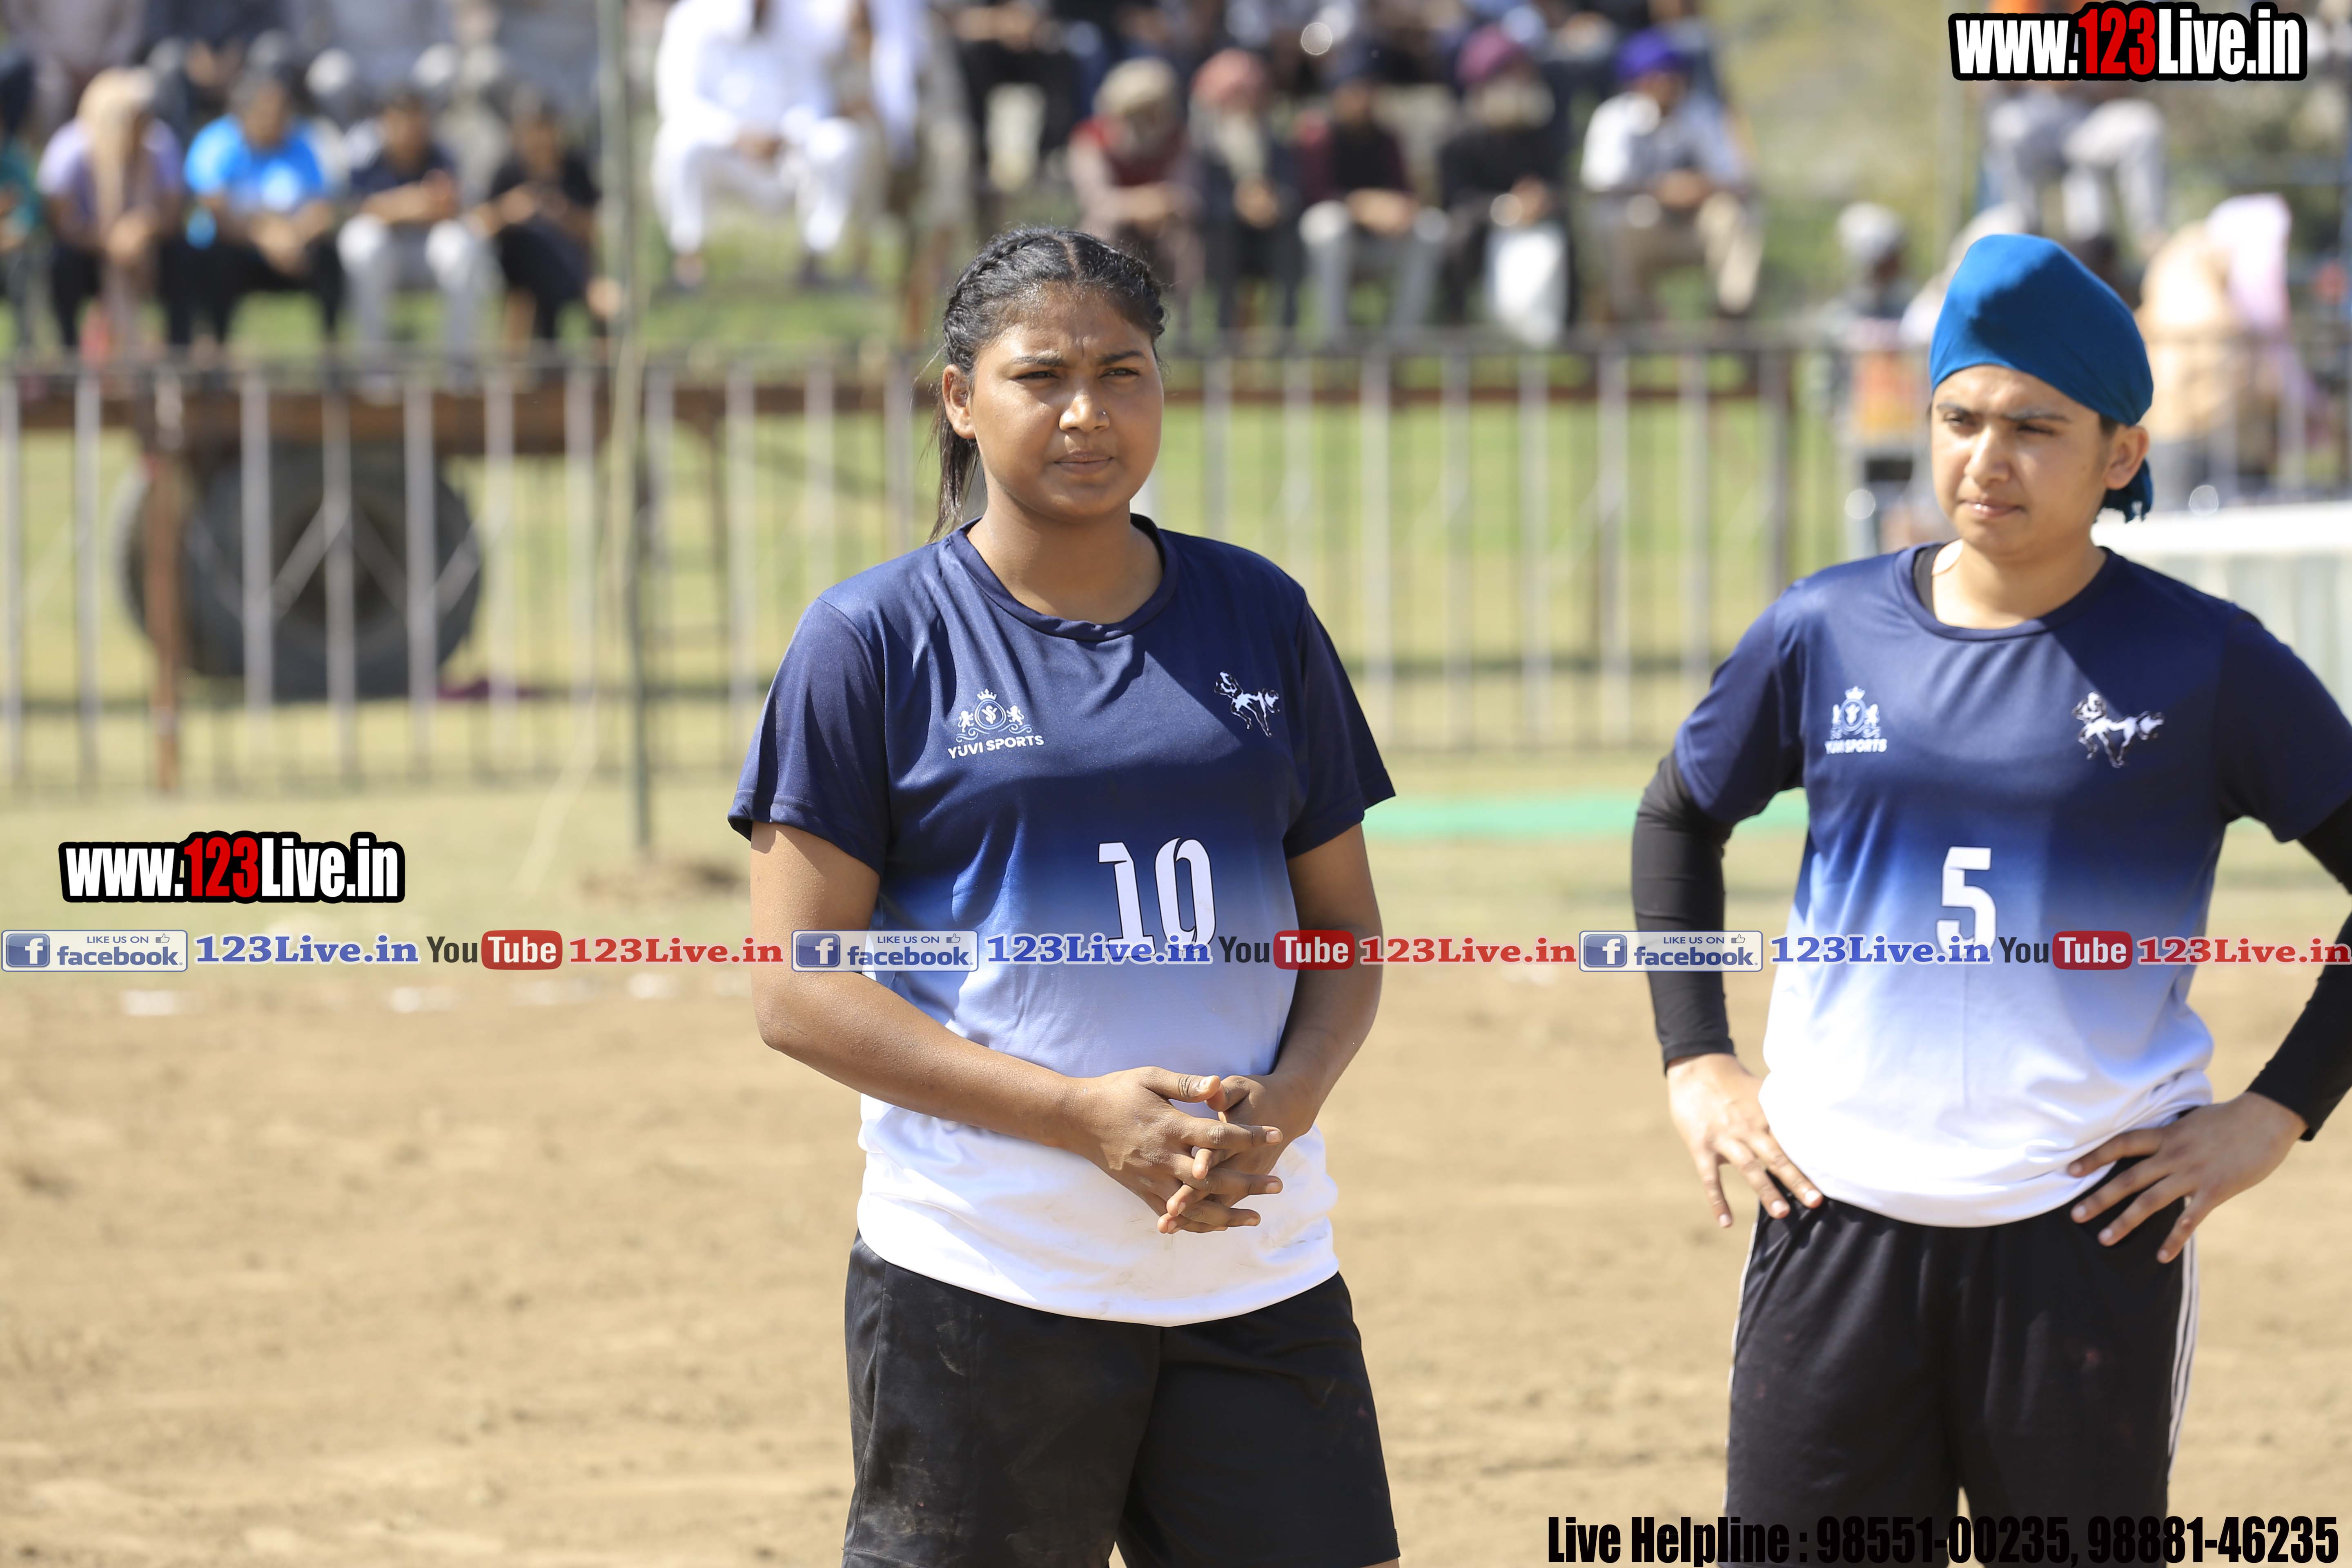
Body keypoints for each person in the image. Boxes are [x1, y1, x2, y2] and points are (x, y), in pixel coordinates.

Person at [1633, 234, 2352, 1527]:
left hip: (2090, 1236)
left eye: (2035, 427)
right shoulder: (1823, 627)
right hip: (1832, 1217)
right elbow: (1679, 816)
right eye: (1960, 419)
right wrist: (1696, 1056)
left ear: (2121, 455)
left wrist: (2278, 1112)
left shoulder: (2208, 661)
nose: (1986, 458)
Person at [736, 226, 1401, 1568]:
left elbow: (1345, 936)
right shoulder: (873, 639)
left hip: (1255, 1271)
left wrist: (1285, 1107)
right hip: (985, 1279)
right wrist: (1081, 1120)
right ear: (960, 398)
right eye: (1042, 376)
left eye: (1123, 373)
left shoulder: (1260, 613)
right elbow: (796, 990)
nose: (1088, 413)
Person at [650, 0, 871, 291]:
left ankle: (814, 261)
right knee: (677, 142)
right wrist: (735, 136)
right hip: (723, 156)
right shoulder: (691, 19)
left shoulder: (796, 17)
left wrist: (789, 134)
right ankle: (689, 263)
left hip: (786, 156)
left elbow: (812, 94)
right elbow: (679, 102)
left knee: (840, 142)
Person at [1579, 26, 1757, 320]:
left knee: (1732, 215)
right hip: (1641, 225)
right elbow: (1601, 185)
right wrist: (1660, 190)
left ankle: (1733, 315)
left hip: (1695, 224)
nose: (1665, 84)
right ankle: (1634, 318)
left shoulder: (1701, 113)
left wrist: (1698, 188)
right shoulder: (1615, 119)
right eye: (1655, 76)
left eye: (1671, 75)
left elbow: (1738, 179)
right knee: (1611, 224)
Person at [182, 67, 343, 342]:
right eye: (268, 110)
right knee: (215, 257)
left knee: (328, 255)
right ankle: (215, 349)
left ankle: (332, 349)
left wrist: (293, 237)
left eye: (283, 110)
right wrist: (264, 235)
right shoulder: (217, 142)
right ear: (245, 112)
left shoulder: (302, 143)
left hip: (293, 250)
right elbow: (214, 207)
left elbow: (323, 207)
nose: (277, 118)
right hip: (235, 248)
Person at [40, 66, 194, 352]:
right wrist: (108, 242)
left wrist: (144, 226)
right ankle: (68, 353)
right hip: (89, 248)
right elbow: (61, 221)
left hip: (145, 249)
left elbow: (173, 212)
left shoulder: (160, 144)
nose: (140, 122)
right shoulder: (70, 149)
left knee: (182, 254)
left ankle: (179, 352)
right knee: (61, 261)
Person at [1295, 61, 1446, 344]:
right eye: (1354, 91)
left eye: (1368, 91)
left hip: (1381, 242)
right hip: (1331, 246)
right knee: (1327, 223)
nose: (1361, 99)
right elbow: (1311, 194)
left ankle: (1401, 342)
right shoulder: (1320, 136)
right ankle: (1336, 342)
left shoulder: (1387, 138)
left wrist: (1401, 209)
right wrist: (1360, 206)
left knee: (1432, 228)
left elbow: (1406, 192)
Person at [1437, 24, 1568, 342]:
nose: (1520, 84)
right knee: (1459, 234)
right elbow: (1455, 199)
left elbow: (1557, 183)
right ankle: (1457, 324)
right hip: (1480, 227)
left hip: (1534, 222)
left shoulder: (1540, 132)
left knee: (1565, 229)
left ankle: (1568, 335)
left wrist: (1542, 198)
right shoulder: (1457, 136)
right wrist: (1505, 207)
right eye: (1508, 76)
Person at [338, 85, 492, 356]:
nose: (408, 129)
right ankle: (374, 365)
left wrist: (395, 207)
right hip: (385, 253)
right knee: (361, 240)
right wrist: (415, 202)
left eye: (415, 118)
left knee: (463, 244)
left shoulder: (442, 155)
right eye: (400, 119)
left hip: (428, 253)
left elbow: (453, 208)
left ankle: (460, 365)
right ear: (384, 122)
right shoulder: (367, 156)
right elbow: (356, 210)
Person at [1067, 58, 1198, 306]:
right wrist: (1143, 204)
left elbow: (1188, 197)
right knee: (1102, 230)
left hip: (1161, 226)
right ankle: (1095, 303)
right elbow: (1096, 200)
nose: (1146, 121)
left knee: (1183, 240)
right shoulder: (1091, 139)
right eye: (1138, 112)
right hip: (1116, 225)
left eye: (1153, 111)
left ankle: (1186, 319)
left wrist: (1161, 206)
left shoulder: (1178, 140)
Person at [1189, 45, 1301, 334]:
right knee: (1223, 233)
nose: (1245, 103)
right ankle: (1225, 333)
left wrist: (1274, 204)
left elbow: (1294, 189)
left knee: (1289, 238)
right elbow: (1202, 198)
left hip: (1270, 235)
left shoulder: (1277, 143)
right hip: (1225, 236)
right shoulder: (1204, 148)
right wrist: (1239, 205)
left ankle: (1287, 332)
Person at [474, 87, 598, 343]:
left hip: (572, 270)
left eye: (545, 128)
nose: (540, 138)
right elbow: (477, 224)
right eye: (532, 129)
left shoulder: (575, 169)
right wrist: (509, 210)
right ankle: (518, 369)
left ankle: (610, 369)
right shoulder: (508, 171)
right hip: (518, 273)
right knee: (522, 298)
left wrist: (564, 213)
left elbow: (595, 228)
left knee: (607, 299)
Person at [2, 0, 144, 141]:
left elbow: (130, 26)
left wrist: (104, 62)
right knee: (52, 93)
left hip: (107, 66)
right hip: (48, 63)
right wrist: (60, 61)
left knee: (127, 97)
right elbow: (19, 20)